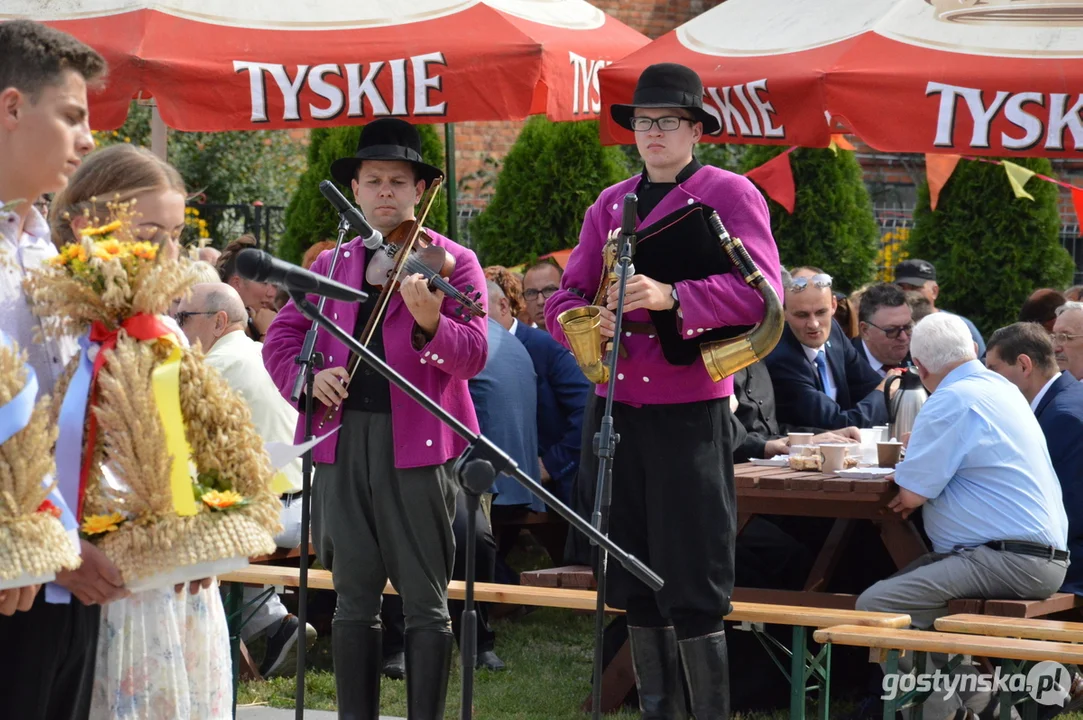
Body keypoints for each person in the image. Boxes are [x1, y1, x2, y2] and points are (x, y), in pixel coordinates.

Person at [546, 62, 783, 719]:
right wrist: (576, 320)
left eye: (667, 122)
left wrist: (671, 294)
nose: (652, 133)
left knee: (694, 575)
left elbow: (764, 294)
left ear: (694, 130)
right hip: (616, 409)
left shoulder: (729, 194)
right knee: (629, 573)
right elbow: (566, 293)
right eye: (642, 122)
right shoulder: (610, 203)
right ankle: (657, 709)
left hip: (690, 409)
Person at [263, 118, 488, 719]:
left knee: (425, 598)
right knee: (351, 596)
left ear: (420, 190)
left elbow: (474, 354)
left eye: (398, 181)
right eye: (373, 181)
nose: (385, 191)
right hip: (340, 441)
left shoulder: (453, 262)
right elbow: (280, 339)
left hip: (418, 442)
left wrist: (431, 324)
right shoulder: (332, 263)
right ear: (356, 191)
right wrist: (307, 382)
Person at [49, 141, 233, 720]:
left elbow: (193, 450)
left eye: (177, 234)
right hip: (104, 577)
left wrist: (211, 522)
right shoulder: (55, 325)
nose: (169, 253)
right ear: (89, 225)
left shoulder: (169, 336)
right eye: (152, 233)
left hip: (176, 584)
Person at [857, 313, 1068, 718]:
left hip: (1010, 557)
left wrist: (915, 480)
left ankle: (945, 714)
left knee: (879, 606)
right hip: (1031, 555)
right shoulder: (1001, 388)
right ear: (972, 351)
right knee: (911, 597)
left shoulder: (950, 399)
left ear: (921, 368)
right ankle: (982, 707)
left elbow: (911, 495)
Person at [0, 19, 116, 720]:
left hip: (64, 574)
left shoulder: (53, 255)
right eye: (72, 115)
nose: (89, 138)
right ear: (12, 108)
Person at [174, 282, 318, 677]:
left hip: (268, 516)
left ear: (218, 321)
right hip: (309, 511)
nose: (178, 327)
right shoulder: (263, 352)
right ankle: (274, 624)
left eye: (184, 318)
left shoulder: (212, 367)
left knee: (179, 530)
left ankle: (204, 651)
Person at [986, 321, 1083, 596]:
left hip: (1069, 569)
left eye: (993, 370)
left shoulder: (1063, 417)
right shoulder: (1064, 399)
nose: (987, 379)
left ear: (1024, 365)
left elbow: (1066, 513)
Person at [765, 269, 894, 430]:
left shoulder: (833, 332)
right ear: (783, 312)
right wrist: (886, 390)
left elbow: (868, 385)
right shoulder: (781, 359)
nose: (814, 324)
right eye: (802, 315)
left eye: (821, 312)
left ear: (833, 305)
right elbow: (840, 424)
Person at [894, 258, 985, 357]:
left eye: (914, 287)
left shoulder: (958, 325)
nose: (907, 293)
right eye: (901, 288)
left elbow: (982, 365)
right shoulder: (888, 327)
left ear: (934, 291)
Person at [853, 282, 913, 377]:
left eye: (908, 327)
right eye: (891, 330)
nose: (903, 337)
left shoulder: (921, 359)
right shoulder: (844, 365)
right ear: (865, 330)